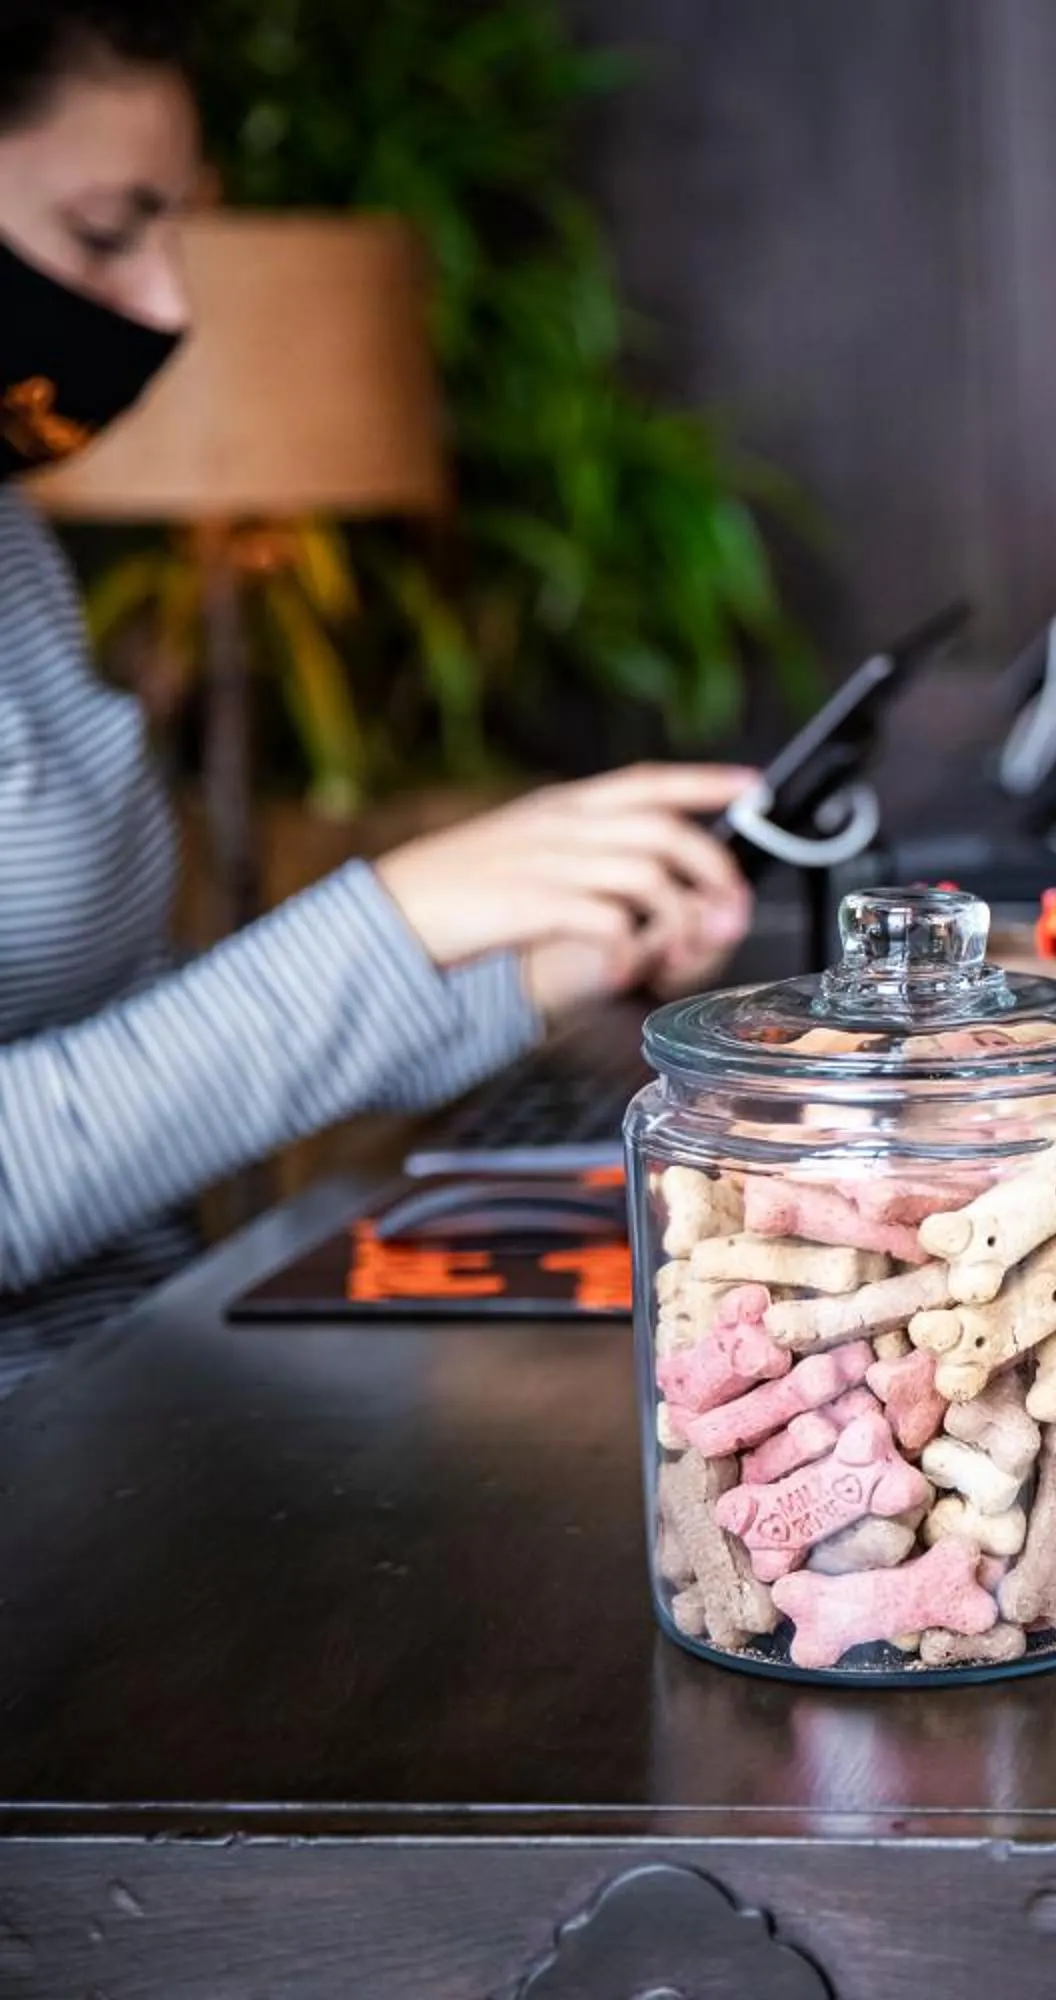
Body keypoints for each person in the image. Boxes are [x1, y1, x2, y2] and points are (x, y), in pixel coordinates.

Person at [0, 0, 758, 1394]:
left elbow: (108, 1043)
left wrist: (523, 977)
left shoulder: (12, 537)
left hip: (134, 1393)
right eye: (106, 231)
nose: (169, 307)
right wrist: (397, 925)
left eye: (179, 230)